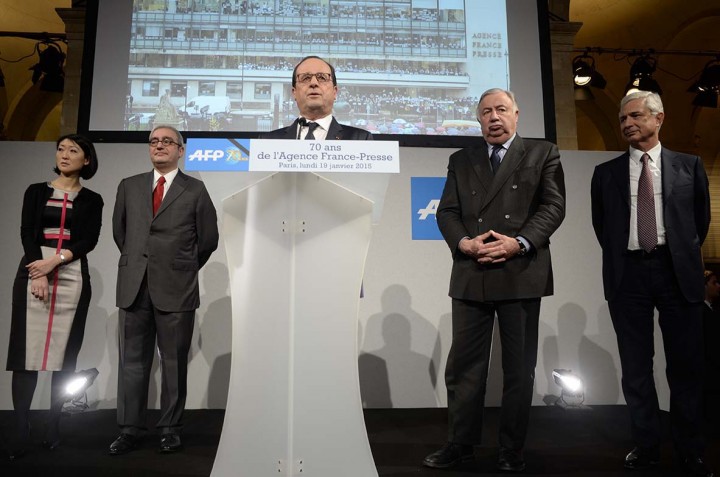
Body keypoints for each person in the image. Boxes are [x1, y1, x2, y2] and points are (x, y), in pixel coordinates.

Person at [424, 88, 565, 472]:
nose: (493, 117)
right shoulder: (462, 159)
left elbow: (553, 207)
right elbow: (447, 212)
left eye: (501, 109)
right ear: (479, 119)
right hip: (472, 272)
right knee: (464, 367)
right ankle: (460, 443)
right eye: (485, 112)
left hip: (520, 272)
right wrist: (464, 243)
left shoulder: (542, 153)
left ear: (517, 114)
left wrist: (517, 243)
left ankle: (511, 448)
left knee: (519, 368)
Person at [591, 91, 712, 476]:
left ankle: (690, 450)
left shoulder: (689, 166)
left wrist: (675, 253)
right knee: (636, 368)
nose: (626, 123)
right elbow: (603, 227)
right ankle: (645, 445)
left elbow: (700, 222)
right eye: (622, 118)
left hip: (677, 273)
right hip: (628, 274)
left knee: (686, 368)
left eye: (635, 115)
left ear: (658, 118)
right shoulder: (605, 173)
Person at [109, 125, 218, 455]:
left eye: (167, 142)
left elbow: (208, 241)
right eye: (154, 141)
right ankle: (130, 429)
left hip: (177, 288)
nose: (159, 146)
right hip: (134, 287)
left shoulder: (195, 190)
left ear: (180, 151)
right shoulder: (128, 186)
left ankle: (170, 428)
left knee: (173, 362)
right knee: (132, 362)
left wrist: (180, 267)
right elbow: (121, 234)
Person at [6, 134, 103, 459]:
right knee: (26, 354)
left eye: (73, 150)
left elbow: (88, 240)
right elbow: (26, 232)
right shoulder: (36, 191)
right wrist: (40, 270)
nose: (65, 154)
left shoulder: (93, 199)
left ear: (86, 159)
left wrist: (56, 262)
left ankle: (53, 425)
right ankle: (21, 428)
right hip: (34, 271)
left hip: (72, 274)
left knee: (65, 355)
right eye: (61, 149)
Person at [260, 56, 372, 141]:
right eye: (305, 78)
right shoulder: (268, 141)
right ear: (294, 93)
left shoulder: (361, 139)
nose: (314, 83)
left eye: (322, 77)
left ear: (335, 92)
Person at [703, 271, 720, 432]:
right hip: (709, 370)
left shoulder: (712, 310)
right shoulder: (701, 313)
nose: (718, 286)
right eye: (714, 282)